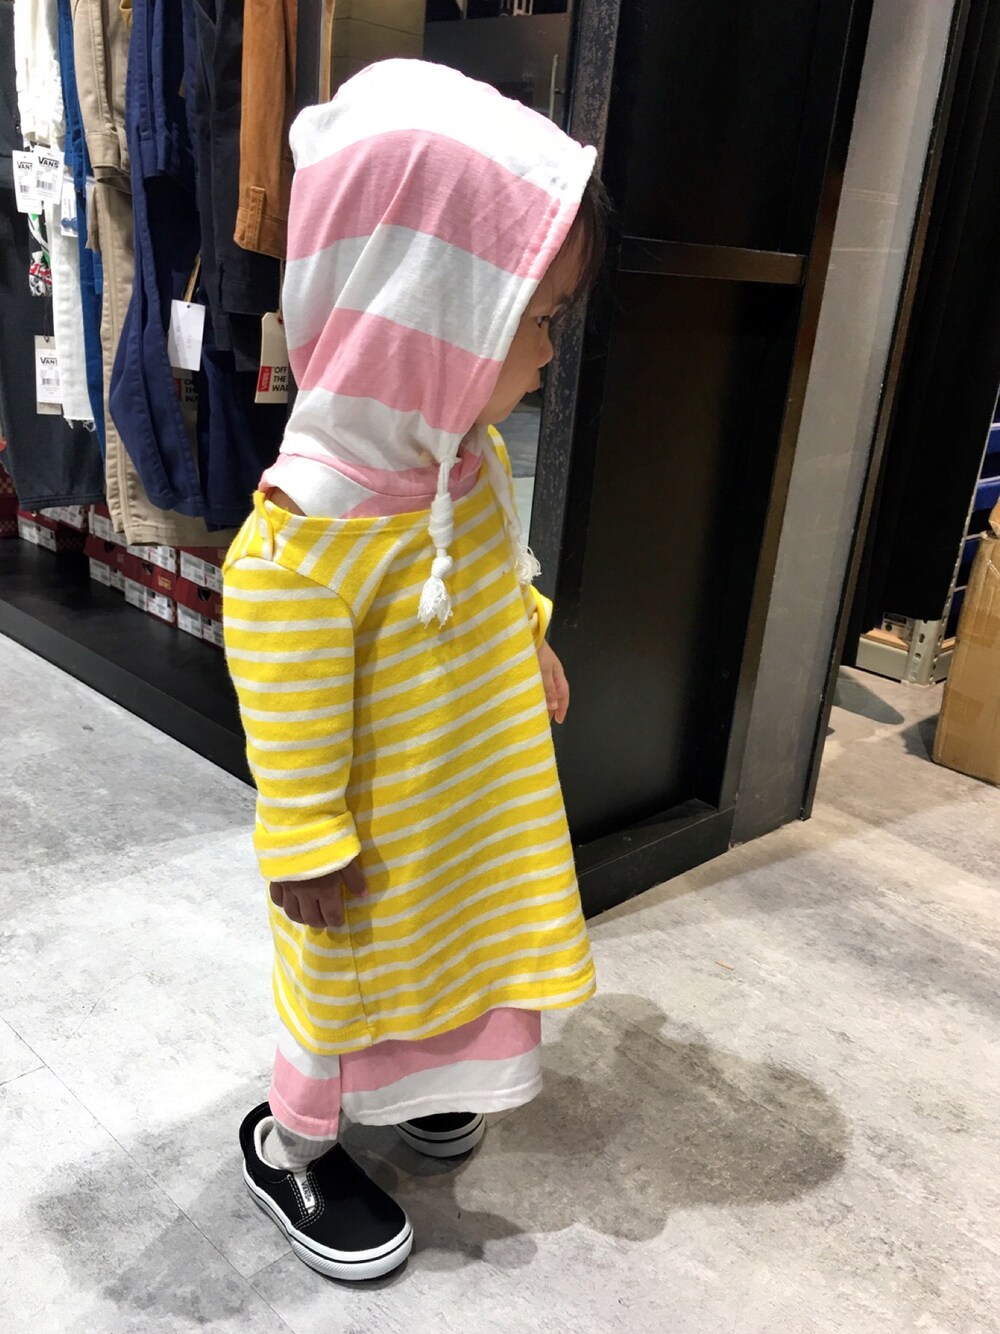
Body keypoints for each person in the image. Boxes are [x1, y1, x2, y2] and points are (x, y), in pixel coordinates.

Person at [223, 57, 609, 1282]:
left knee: (461, 936)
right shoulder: (311, 527)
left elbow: (494, 562)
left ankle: (429, 1076)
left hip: (459, 808)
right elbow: (282, 691)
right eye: (535, 321)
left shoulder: (463, 458)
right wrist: (303, 834)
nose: (548, 353)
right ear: (424, 318)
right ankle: (296, 1142)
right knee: (349, 973)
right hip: (365, 834)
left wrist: (526, 632)